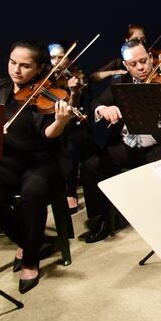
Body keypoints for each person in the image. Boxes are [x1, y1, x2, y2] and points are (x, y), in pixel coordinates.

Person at [0, 41, 77, 293]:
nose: (16, 70)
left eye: (25, 65)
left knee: (34, 193)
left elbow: (48, 134)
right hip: (6, 160)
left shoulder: (49, 93)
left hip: (42, 160)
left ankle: (30, 259)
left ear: (40, 68)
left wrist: (60, 121)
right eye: (12, 62)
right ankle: (30, 239)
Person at [79, 39, 161, 243]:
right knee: (90, 166)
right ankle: (102, 222)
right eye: (133, 64)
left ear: (150, 58)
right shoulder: (119, 83)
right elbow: (96, 102)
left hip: (158, 145)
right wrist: (103, 109)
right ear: (125, 66)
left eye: (143, 60)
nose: (141, 67)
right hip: (128, 146)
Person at [49, 42, 92, 213]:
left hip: (72, 124)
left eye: (62, 57)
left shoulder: (75, 77)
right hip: (48, 123)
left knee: (71, 142)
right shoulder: (45, 79)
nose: (58, 61)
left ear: (68, 59)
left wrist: (75, 92)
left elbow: (74, 108)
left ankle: (71, 191)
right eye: (53, 57)